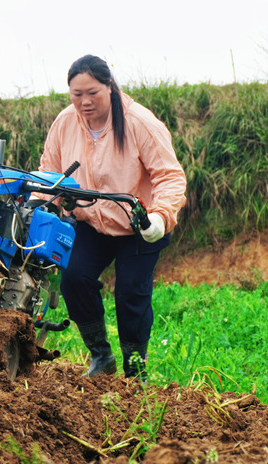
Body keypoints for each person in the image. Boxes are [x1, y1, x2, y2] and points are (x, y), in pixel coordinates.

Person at [38, 54, 187, 380]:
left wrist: (160, 217)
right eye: (76, 95)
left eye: (92, 93)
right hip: (91, 220)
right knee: (74, 279)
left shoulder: (139, 123)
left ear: (109, 87)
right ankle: (101, 357)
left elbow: (170, 177)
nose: (84, 102)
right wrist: (37, 203)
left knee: (131, 294)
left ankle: (135, 370)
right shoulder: (65, 123)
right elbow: (49, 172)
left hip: (139, 223)